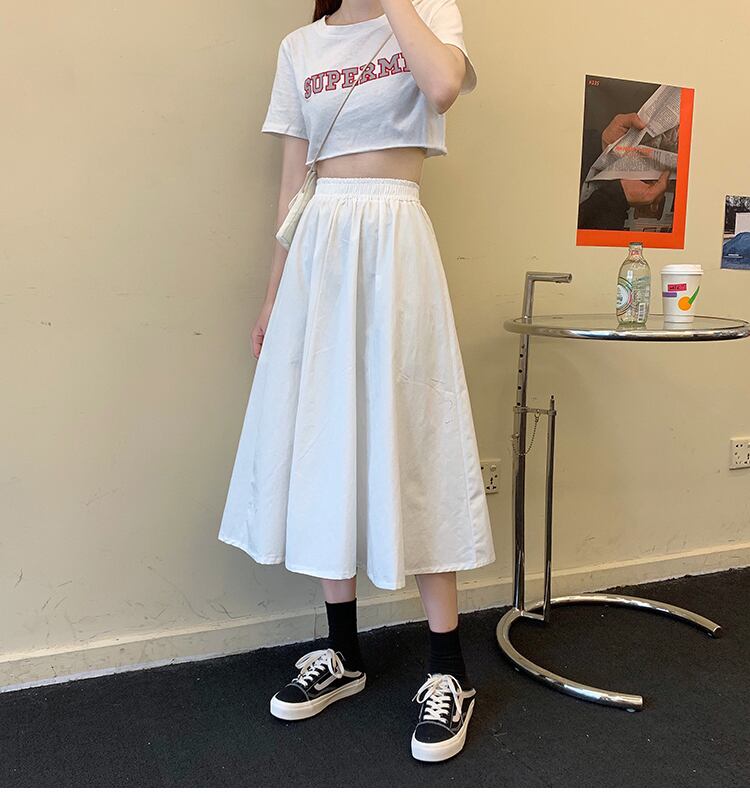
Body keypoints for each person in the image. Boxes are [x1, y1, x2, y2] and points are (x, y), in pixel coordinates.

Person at [217, 0, 495, 763]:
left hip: (396, 239)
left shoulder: (430, 12)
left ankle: (448, 669)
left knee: (417, 439)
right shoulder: (300, 46)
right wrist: (272, 294)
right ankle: (343, 652)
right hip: (318, 249)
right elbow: (292, 185)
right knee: (322, 438)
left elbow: (442, 86)